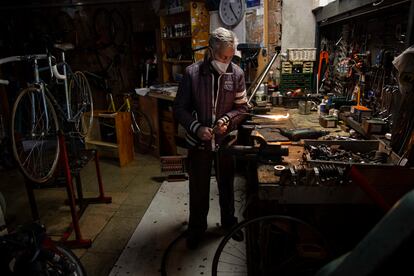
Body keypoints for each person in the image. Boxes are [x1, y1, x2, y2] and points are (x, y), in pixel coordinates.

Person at [173, 27, 248, 249]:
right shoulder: (192, 74)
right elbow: (179, 108)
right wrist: (196, 128)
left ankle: (228, 224)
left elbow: (242, 108)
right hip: (198, 142)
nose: (228, 60)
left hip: (225, 142)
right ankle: (197, 229)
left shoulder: (237, 74)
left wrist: (227, 120)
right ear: (211, 51)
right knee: (198, 188)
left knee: (226, 184)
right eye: (224, 57)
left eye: (231, 56)